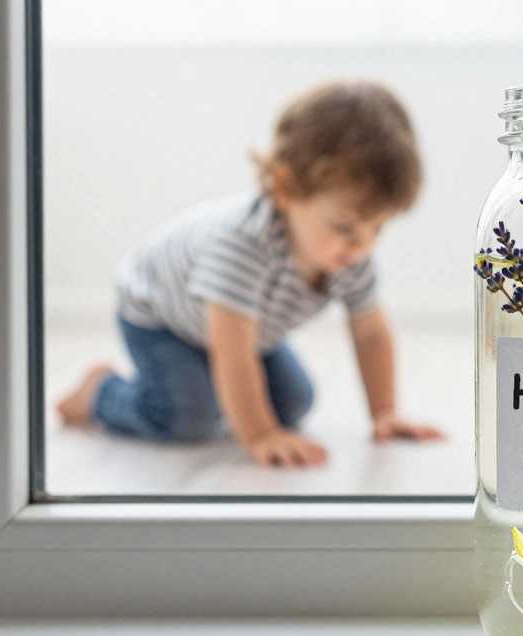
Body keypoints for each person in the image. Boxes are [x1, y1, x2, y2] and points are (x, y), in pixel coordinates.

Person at [56, 81, 443, 467]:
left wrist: (385, 413)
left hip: (241, 328)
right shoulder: (245, 246)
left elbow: (370, 332)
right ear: (285, 188)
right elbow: (232, 350)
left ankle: (209, 387)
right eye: (344, 228)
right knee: (190, 417)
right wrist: (259, 435)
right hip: (159, 316)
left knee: (294, 403)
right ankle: (99, 394)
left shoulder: (350, 256)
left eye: (377, 228)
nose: (362, 246)